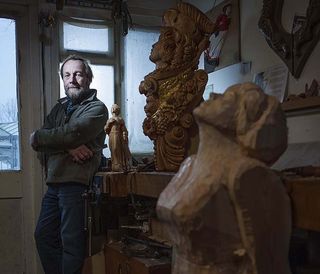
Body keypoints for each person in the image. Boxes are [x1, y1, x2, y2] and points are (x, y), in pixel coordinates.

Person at [157, 83, 291, 274]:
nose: (213, 94)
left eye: (228, 97)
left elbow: (266, 262)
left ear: (243, 118)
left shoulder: (246, 173)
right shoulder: (190, 164)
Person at [30, 55, 108, 274]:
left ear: (88, 78)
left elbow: (71, 133)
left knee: (72, 244)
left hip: (76, 183)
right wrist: (67, 146)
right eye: (67, 75)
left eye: (78, 74)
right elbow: (58, 137)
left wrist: (38, 137)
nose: (72, 79)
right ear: (62, 79)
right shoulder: (59, 109)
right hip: (54, 182)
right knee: (43, 236)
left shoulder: (98, 108)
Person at [104, 104, 131, 172]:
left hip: (118, 135)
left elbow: (124, 129)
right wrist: (108, 124)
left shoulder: (120, 119)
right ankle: (114, 165)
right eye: (113, 108)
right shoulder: (110, 120)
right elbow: (106, 130)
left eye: (116, 108)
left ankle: (120, 164)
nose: (115, 109)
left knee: (118, 149)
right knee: (113, 150)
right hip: (112, 136)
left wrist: (124, 134)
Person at [205, 3, 232, 70]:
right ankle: (211, 56)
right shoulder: (222, 17)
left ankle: (212, 56)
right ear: (225, 9)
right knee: (215, 44)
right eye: (228, 9)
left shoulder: (225, 18)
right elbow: (217, 24)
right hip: (218, 33)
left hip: (221, 33)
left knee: (218, 44)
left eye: (230, 10)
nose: (229, 11)